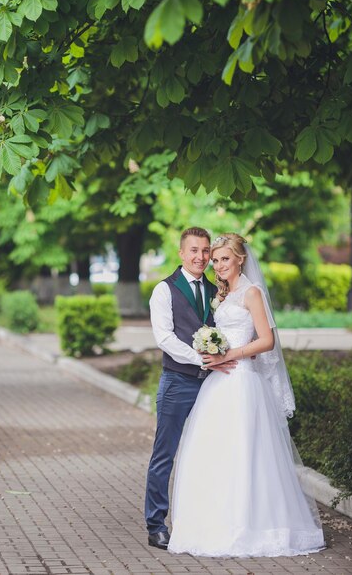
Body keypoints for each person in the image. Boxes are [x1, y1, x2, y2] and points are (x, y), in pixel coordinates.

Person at [168, 233, 325, 557]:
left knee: (246, 452)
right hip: (219, 383)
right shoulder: (223, 297)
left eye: (225, 259)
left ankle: (250, 525)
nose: (219, 265)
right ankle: (213, 524)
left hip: (243, 383)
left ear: (241, 258)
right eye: (216, 260)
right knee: (216, 451)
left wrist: (231, 354)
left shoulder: (252, 293)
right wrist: (211, 348)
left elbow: (266, 340)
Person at [145, 227, 237, 550]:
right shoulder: (164, 290)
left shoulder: (217, 291)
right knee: (165, 454)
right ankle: (156, 523)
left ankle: (201, 520)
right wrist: (201, 359)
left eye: (204, 251)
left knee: (207, 454)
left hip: (212, 386)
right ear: (182, 253)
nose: (200, 257)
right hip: (178, 382)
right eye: (194, 251)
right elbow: (165, 338)